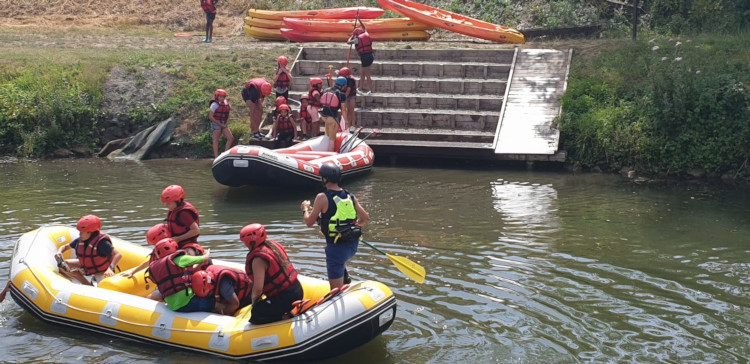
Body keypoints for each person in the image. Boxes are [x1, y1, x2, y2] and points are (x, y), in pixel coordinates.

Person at [301, 164, 370, 289]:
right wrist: (351, 228)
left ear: (325, 179)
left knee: (335, 291)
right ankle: (344, 275)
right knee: (340, 259)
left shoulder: (321, 197)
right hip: (353, 245)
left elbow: (309, 222)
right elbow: (365, 218)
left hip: (336, 249)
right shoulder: (350, 196)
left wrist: (305, 209)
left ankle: (340, 282)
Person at [241, 223, 303, 324]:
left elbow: (258, 288)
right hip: (297, 289)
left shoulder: (258, 259)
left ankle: (284, 318)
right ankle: (285, 312)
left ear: (250, 242)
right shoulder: (273, 245)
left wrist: (254, 303)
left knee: (256, 314)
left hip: (286, 297)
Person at [146, 238, 215, 312]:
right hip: (186, 302)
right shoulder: (180, 259)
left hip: (172, 305)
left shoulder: (156, 266)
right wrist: (207, 252)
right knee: (213, 303)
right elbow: (205, 258)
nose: (186, 253)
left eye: (188, 251)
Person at [54, 215, 123, 286]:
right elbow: (65, 247)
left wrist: (110, 268)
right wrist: (59, 252)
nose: (80, 234)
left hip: (102, 271)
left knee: (105, 287)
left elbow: (118, 254)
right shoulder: (80, 240)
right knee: (64, 265)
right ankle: (87, 284)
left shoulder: (103, 243)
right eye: (80, 232)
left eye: (82, 232)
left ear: (90, 232)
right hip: (87, 266)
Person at [161, 184, 205, 255]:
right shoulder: (174, 210)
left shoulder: (184, 214)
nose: (166, 206)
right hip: (177, 244)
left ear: (178, 201)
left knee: (187, 254)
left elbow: (195, 230)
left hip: (188, 245)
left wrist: (178, 239)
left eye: (169, 203)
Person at [319, 77, 347, 152]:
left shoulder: (326, 90)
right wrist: (346, 122)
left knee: (327, 135)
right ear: (343, 85)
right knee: (332, 139)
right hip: (332, 118)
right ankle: (330, 154)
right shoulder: (341, 94)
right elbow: (343, 110)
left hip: (323, 116)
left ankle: (323, 150)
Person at [347, 21, 374, 94]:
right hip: (370, 56)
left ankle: (371, 91)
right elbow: (364, 27)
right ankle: (360, 89)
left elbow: (348, 42)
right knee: (362, 74)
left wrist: (351, 36)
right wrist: (360, 20)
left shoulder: (357, 39)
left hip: (365, 58)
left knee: (367, 75)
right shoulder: (366, 34)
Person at [209, 88, 234, 158]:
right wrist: (220, 124)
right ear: (217, 96)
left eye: (223, 97)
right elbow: (210, 117)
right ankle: (216, 157)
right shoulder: (214, 104)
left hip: (223, 122)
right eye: (220, 96)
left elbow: (228, 114)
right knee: (216, 140)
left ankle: (224, 155)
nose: (222, 98)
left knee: (230, 138)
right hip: (215, 122)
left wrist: (226, 123)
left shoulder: (226, 104)